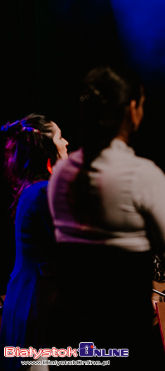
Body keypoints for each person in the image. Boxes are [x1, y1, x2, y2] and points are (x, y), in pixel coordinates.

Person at [47, 65, 165, 369]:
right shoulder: (142, 174)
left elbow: (111, 222)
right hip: (121, 332)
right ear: (132, 110)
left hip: (71, 329)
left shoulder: (63, 172)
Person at [0, 114, 69, 371]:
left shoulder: (37, 190)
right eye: (60, 137)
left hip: (30, 303)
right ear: (47, 147)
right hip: (33, 307)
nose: (66, 143)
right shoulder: (43, 192)